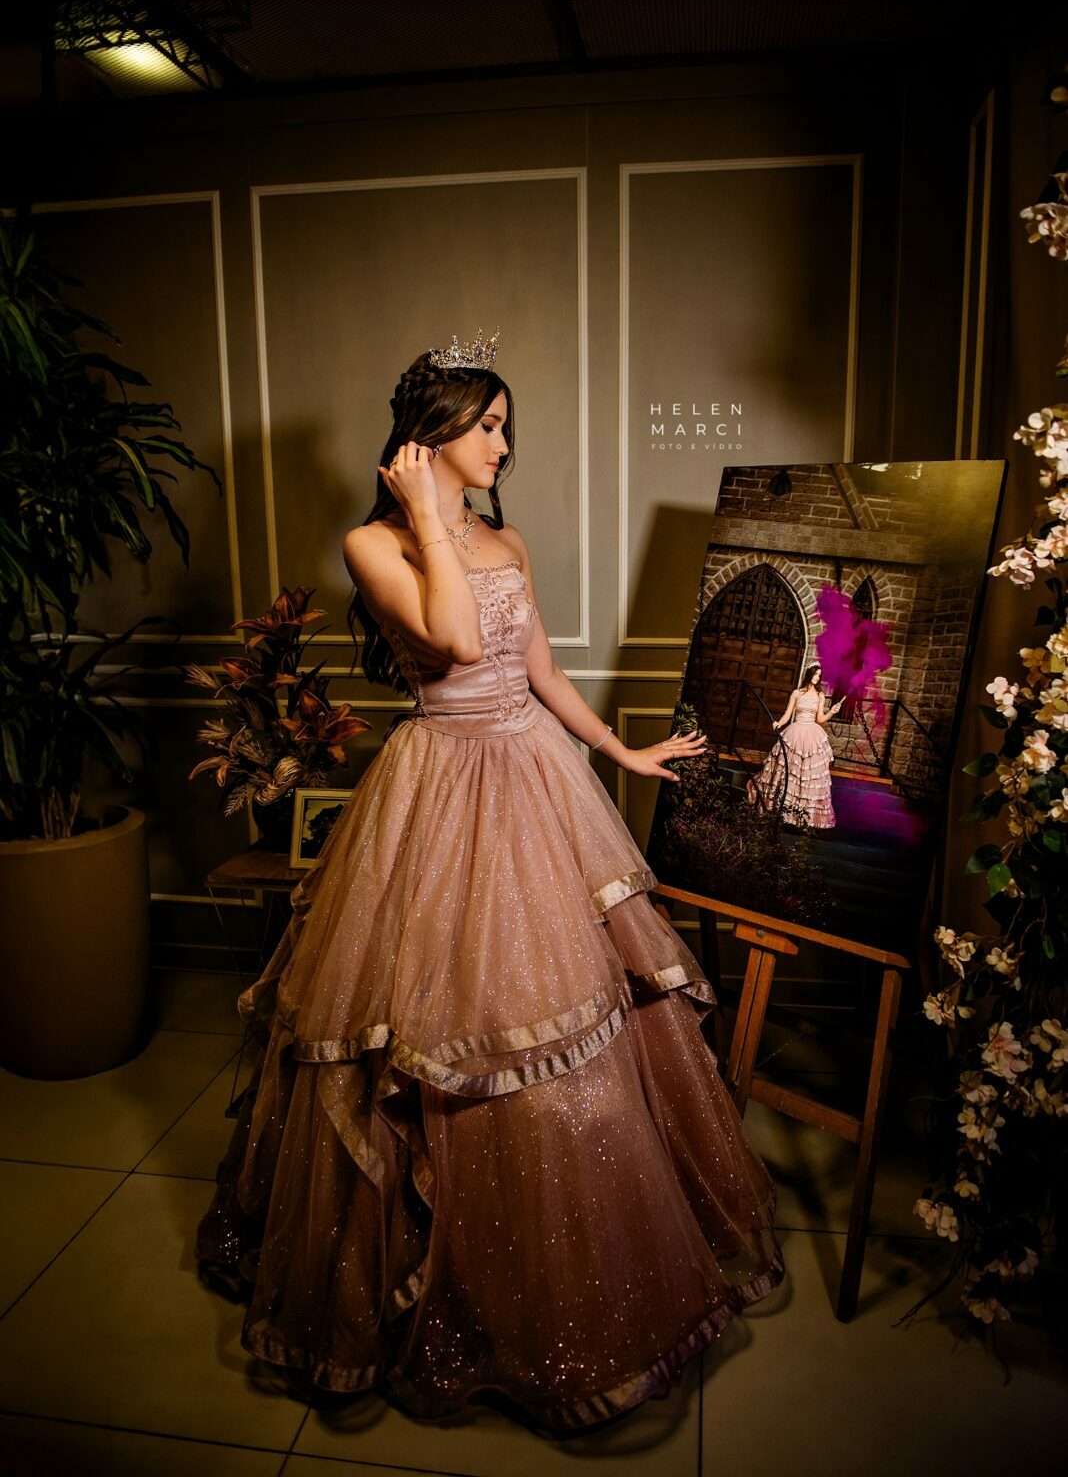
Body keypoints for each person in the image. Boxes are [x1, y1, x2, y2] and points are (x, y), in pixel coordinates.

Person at [195, 331, 783, 1436]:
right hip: (440, 788)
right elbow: (458, 644)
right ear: (432, 435)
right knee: (436, 1019)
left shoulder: (506, 536)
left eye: (507, 425)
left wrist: (618, 750)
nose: (506, 444)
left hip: (534, 776)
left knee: (569, 1018)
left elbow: (535, 665)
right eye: (488, 425)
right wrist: (425, 512)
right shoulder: (373, 541)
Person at [746, 663, 844, 830]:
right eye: (815, 674)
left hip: (812, 733)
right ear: (809, 674)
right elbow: (787, 713)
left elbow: (820, 719)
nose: (817, 678)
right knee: (789, 770)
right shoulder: (797, 693)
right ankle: (781, 810)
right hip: (796, 731)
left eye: (819, 676)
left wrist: (832, 712)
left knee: (808, 775)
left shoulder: (820, 695)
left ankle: (803, 816)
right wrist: (779, 723)